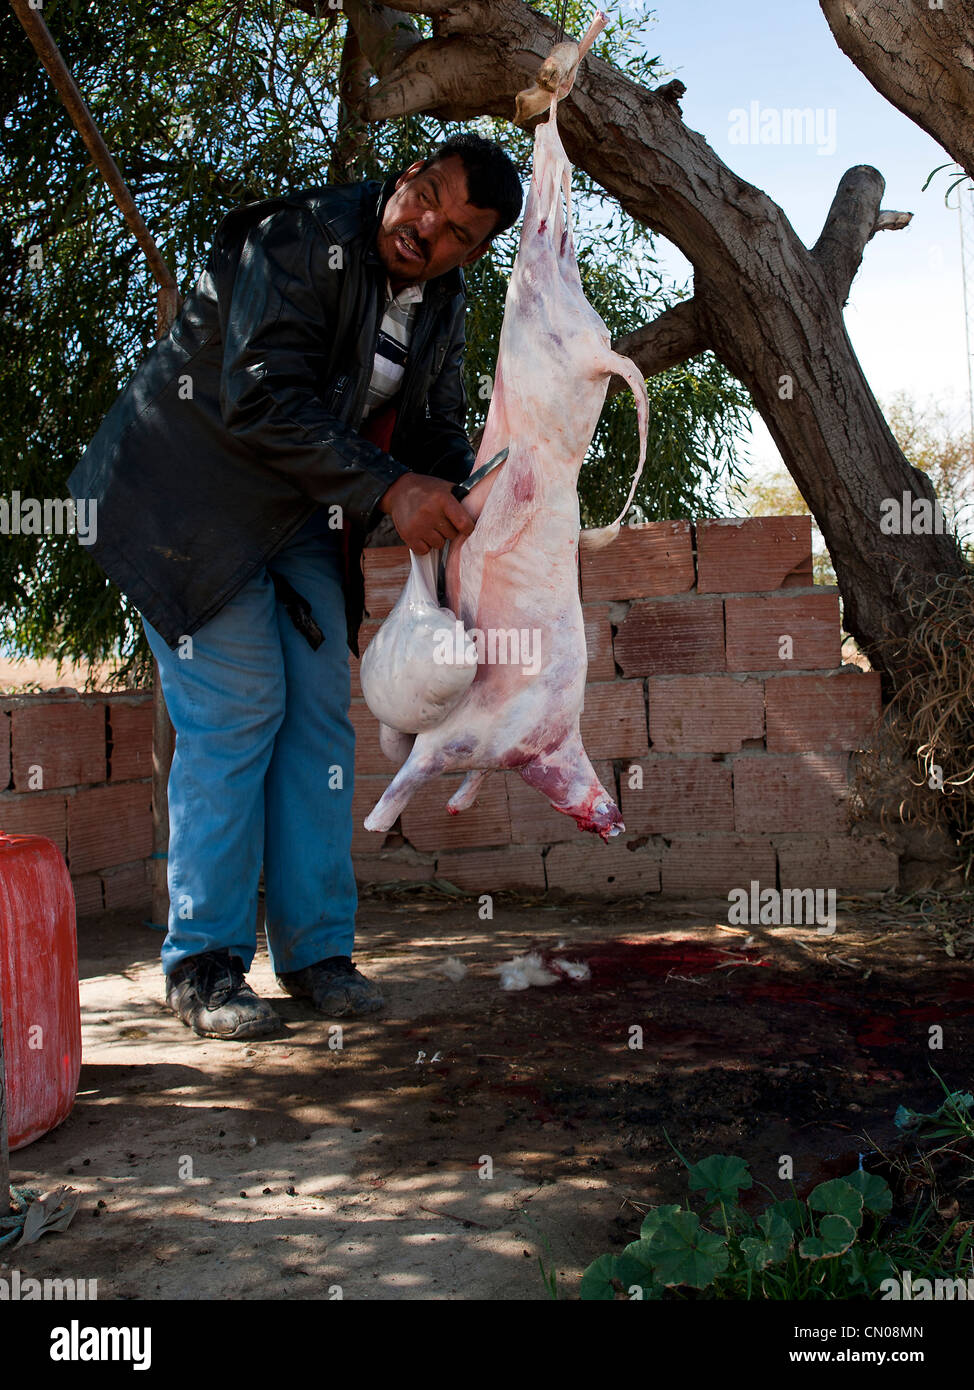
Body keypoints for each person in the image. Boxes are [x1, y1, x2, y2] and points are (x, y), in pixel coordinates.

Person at [67, 132, 524, 1041]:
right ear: (404, 176)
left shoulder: (440, 302)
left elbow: (432, 423)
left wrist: (472, 485)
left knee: (318, 717)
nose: (427, 228)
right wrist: (391, 486)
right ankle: (204, 962)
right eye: (426, 195)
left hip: (304, 517)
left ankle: (317, 953)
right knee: (238, 710)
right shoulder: (297, 235)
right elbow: (262, 394)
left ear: (472, 252)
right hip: (186, 510)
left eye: (458, 233)